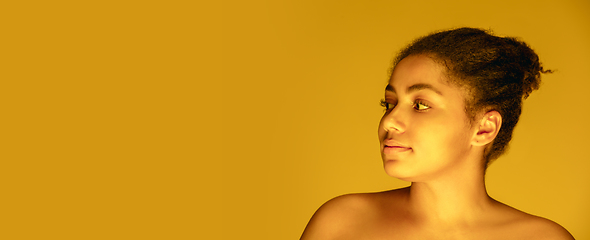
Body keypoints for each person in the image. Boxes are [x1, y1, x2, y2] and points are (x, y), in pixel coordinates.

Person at [300, 27, 574, 240]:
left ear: (484, 128)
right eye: (389, 104)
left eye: (420, 105)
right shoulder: (341, 223)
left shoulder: (542, 238)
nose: (389, 122)